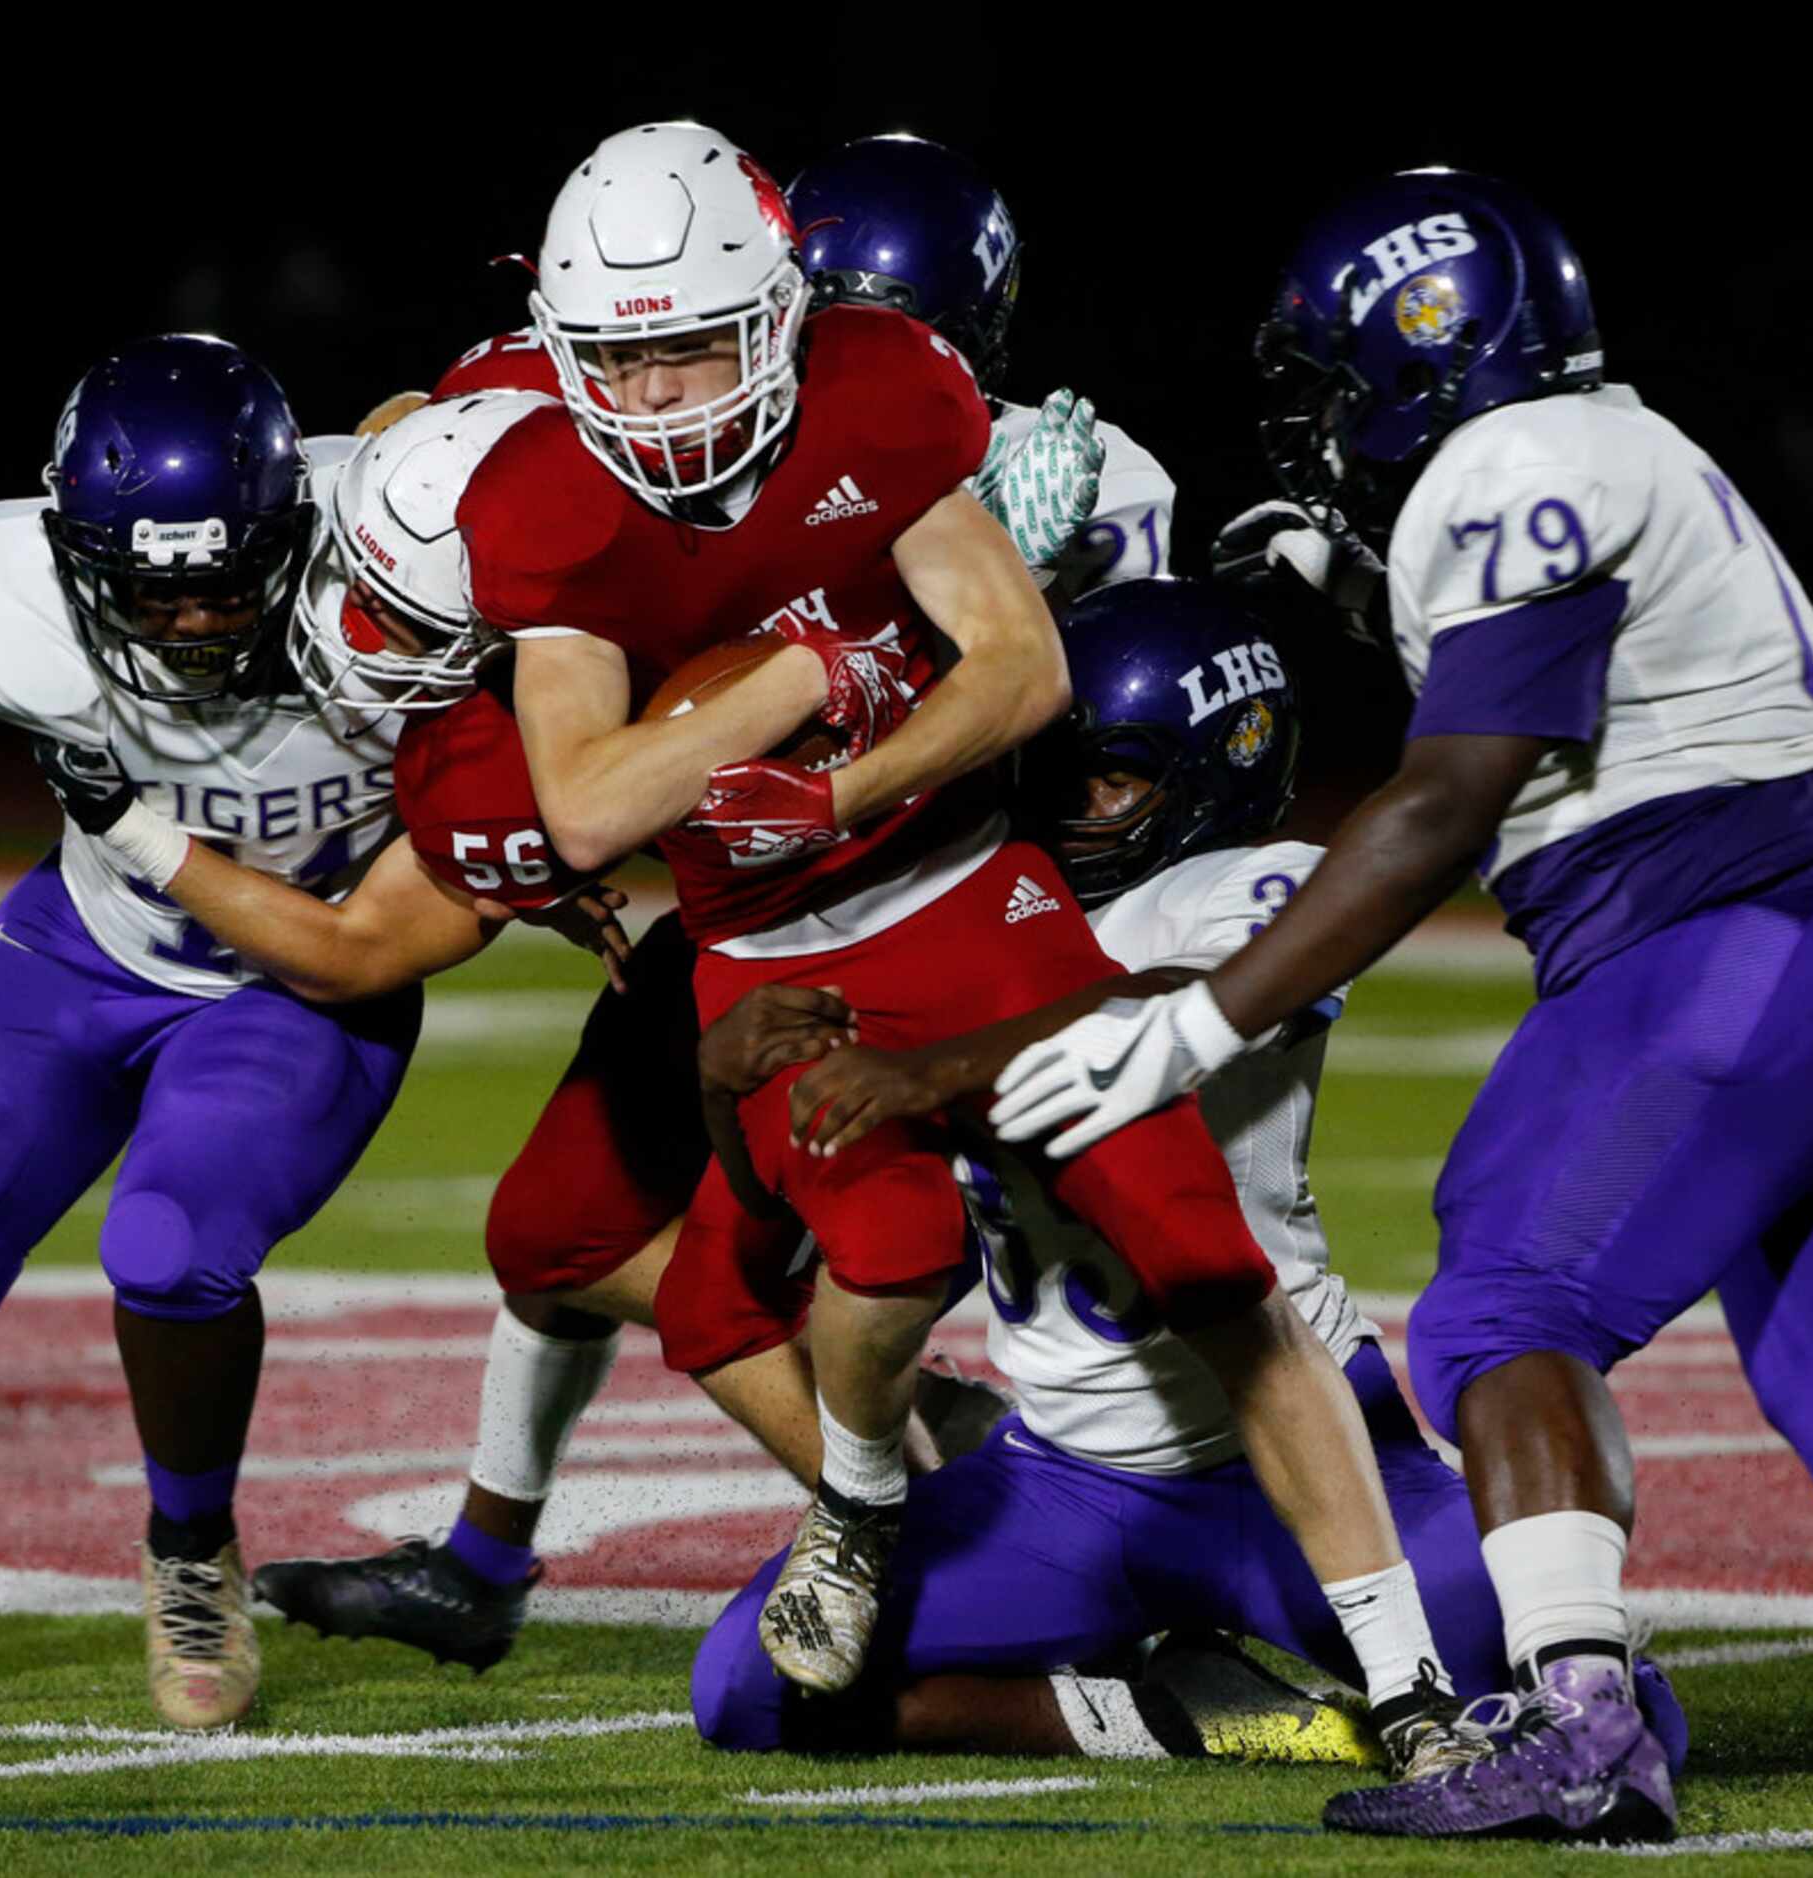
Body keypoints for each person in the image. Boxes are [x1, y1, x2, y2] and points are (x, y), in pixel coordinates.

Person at [453, 123, 1473, 1788]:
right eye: (616, 362)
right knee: (827, 1256)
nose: (652, 405)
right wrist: (807, 669)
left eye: (690, 349)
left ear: (775, 318)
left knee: (1199, 1249)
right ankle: (859, 1499)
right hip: (761, 942)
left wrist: (840, 773)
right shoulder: (538, 490)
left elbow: (1018, 676)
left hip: (966, 894)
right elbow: (580, 805)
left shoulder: (879, 394)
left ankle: (1404, 1681)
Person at [986, 168, 1813, 1842]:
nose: (1326, 421)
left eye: (1337, 377)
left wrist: (1186, 1028)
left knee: (1505, 1301)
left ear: (1423, 345)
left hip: (1720, 934)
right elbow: (1572, 685)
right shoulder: (1594, 445)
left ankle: (1575, 1721)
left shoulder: (1512, 463)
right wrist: (1355, 596)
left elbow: (1442, 799)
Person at [256, 134, 1168, 1669]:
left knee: (1097, 1258)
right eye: (653, 353)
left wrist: (1012, 572)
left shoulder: (1040, 462)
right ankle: (509, 1551)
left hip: (950, 893)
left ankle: (1037, 1527)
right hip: (735, 894)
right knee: (555, 1230)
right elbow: (437, 428)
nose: (687, 396)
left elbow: (1091, 730)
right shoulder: (640, 380)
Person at [688, 578, 1688, 1778]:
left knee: (1613, 1722)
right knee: (748, 1690)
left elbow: (1175, 1001)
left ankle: (1385, 1650)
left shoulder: (1256, 884)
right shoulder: (985, 907)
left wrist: (931, 1054)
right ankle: (1171, 1711)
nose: (1070, 809)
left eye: (1108, 777)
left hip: (1296, 1449)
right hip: (1065, 1476)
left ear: (1219, 767)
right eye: (1049, 774)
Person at [0, 337, 528, 1731]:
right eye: (156, 587)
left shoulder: (401, 543)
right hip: (90, 942)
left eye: (224, 580)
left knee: (172, 1241)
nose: (197, 620)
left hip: (304, 977)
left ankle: (191, 1552)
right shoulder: (11, 585)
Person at [787, 133, 1170, 595]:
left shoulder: (1073, 471)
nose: (864, 389)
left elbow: (1116, 659)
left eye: (902, 355)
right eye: (827, 346)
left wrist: (1023, 577)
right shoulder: (727, 470)